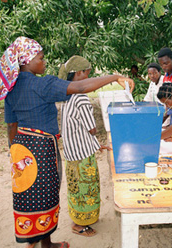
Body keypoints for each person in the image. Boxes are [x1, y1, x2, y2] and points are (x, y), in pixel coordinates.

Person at [0, 36, 134, 248]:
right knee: (47, 196)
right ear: (26, 60)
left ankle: (41, 242)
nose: (44, 62)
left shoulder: (11, 89)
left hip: (21, 150)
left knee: (30, 196)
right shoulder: (43, 84)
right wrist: (114, 77)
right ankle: (39, 244)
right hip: (42, 149)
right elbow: (80, 87)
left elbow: (11, 126)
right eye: (40, 58)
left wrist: (14, 156)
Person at [58, 55, 110, 237]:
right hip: (82, 155)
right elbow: (92, 129)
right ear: (79, 73)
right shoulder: (80, 97)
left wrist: (98, 145)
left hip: (72, 152)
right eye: (88, 74)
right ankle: (80, 225)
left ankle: (80, 218)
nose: (90, 78)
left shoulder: (67, 94)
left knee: (75, 188)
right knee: (86, 188)